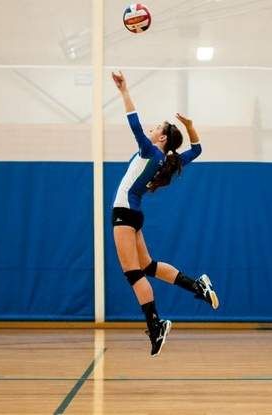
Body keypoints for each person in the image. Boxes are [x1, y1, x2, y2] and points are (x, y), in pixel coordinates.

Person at [111, 71, 219, 357]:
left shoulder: (150, 152)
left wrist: (124, 91)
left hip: (124, 213)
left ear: (160, 137)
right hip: (133, 214)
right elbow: (196, 149)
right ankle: (196, 284)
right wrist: (191, 126)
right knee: (147, 267)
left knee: (134, 274)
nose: (151, 128)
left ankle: (155, 325)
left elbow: (133, 122)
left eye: (156, 126)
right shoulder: (168, 160)